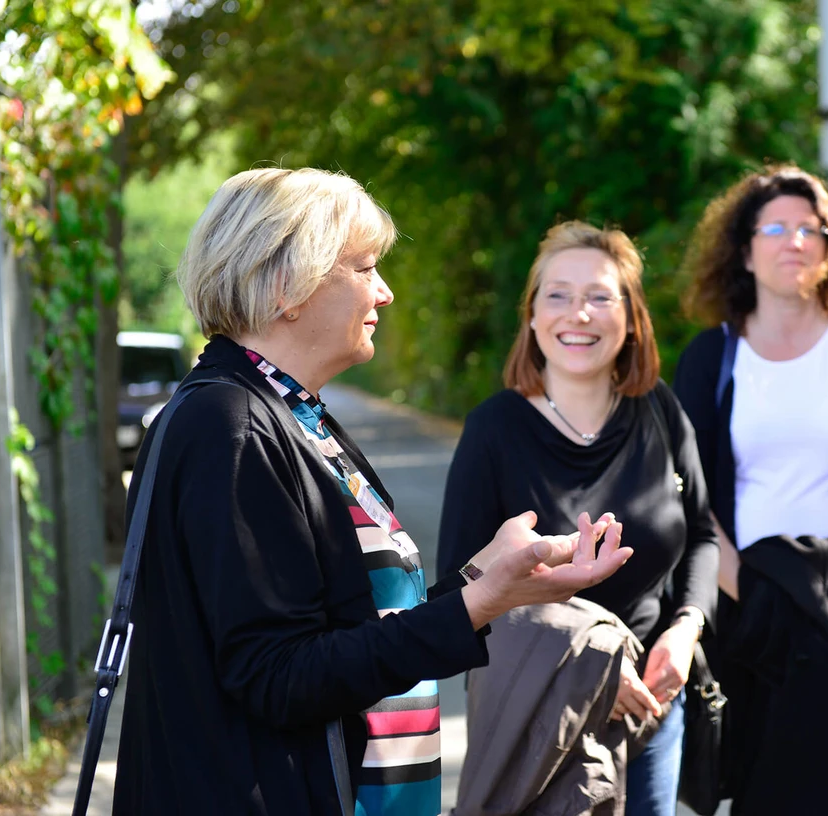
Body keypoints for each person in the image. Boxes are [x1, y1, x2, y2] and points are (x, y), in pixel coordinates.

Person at [111, 169, 635, 816]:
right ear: (287, 286)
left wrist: (489, 578)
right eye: (363, 268)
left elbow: (359, 624)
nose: (384, 293)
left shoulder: (291, 413)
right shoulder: (233, 427)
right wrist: (474, 604)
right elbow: (279, 676)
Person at [437, 220, 719, 816]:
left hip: (652, 704)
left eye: (599, 296)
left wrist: (686, 627)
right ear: (533, 316)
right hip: (536, 711)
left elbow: (701, 533)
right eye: (558, 295)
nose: (579, 314)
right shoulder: (493, 430)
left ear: (631, 316)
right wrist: (588, 670)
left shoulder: (660, 411)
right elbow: (455, 592)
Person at [672, 164, 828, 815]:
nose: (795, 241)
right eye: (777, 227)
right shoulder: (711, 357)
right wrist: (749, 589)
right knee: (758, 787)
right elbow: (689, 492)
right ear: (744, 247)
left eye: (811, 229)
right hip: (746, 603)